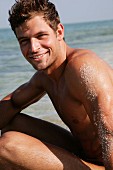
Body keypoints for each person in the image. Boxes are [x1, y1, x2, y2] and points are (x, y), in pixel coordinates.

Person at [0, 0, 113, 169]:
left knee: (6, 147)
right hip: (85, 153)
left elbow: (110, 131)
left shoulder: (83, 68)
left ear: (59, 31)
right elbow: (11, 104)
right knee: (12, 124)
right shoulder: (44, 77)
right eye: (24, 40)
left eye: (41, 36)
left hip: (106, 163)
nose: (33, 48)